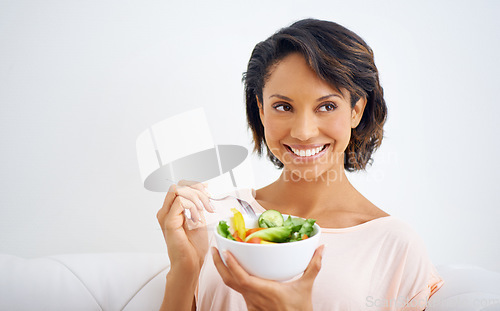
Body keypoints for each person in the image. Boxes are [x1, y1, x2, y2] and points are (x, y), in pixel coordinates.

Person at [156, 18, 444, 311]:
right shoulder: (215, 219)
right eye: (283, 107)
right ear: (261, 109)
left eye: (327, 106)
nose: (304, 131)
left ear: (356, 111)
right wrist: (185, 268)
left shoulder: (394, 246)